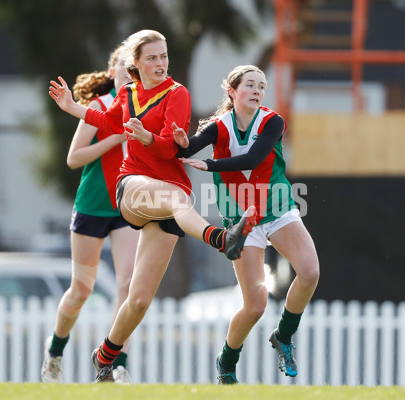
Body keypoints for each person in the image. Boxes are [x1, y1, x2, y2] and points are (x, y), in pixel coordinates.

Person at [48, 30, 257, 383]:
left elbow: (171, 149)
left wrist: (148, 137)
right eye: (152, 58)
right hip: (132, 187)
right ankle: (221, 240)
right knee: (178, 199)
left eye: (163, 56)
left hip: (170, 196)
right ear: (137, 64)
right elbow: (110, 121)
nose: (161, 63)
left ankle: (105, 355)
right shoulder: (128, 93)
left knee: (140, 299)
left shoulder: (178, 94)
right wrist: (73, 107)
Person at [174, 65, 320, 384]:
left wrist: (209, 164)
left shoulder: (273, 121)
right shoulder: (218, 126)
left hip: (277, 208)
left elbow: (254, 159)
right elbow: (184, 151)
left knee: (309, 272)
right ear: (232, 91)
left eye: (261, 86)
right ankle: (227, 361)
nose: (257, 91)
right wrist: (180, 142)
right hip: (241, 219)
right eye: (250, 85)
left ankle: (284, 335)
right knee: (255, 304)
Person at [41, 45, 139, 384]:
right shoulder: (99, 106)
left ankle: (115, 362)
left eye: (135, 68)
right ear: (113, 72)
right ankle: (55, 350)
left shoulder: (145, 106)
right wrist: (113, 139)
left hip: (127, 207)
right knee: (82, 290)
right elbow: (74, 158)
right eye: (125, 68)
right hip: (92, 206)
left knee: (128, 285)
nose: (131, 74)